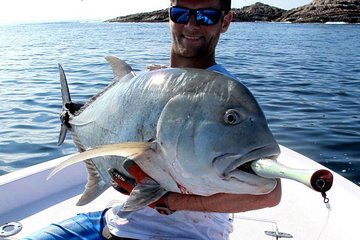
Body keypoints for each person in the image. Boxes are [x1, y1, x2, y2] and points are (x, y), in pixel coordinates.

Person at [24, 0, 281, 239]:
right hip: (115, 220)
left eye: (206, 15)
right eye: (180, 13)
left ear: (225, 22)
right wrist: (76, 121)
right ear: (169, 17)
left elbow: (270, 192)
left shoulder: (224, 95)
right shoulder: (153, 81)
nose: (191, 24)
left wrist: (167, 202)